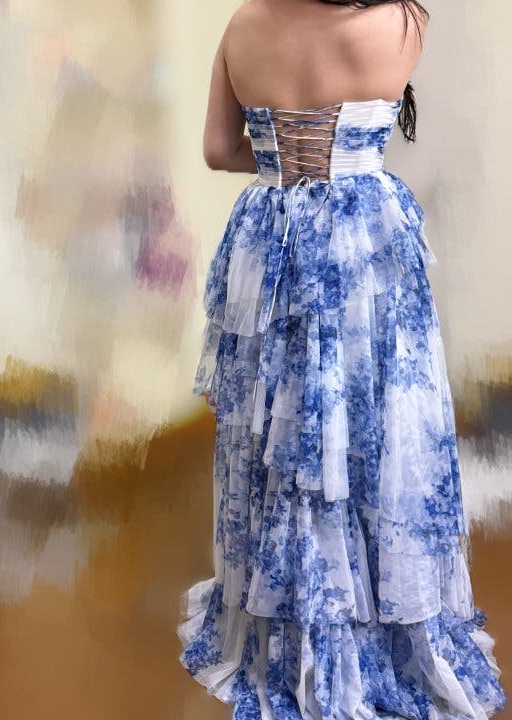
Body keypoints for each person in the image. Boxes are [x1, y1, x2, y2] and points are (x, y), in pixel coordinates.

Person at [178, 2, 508, 718]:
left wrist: (278, 160)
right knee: (380, 426)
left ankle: (286, 627)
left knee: (279, 435)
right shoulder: (402, 23)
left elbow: (218, 149)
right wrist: (344, 158)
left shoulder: (244, 25)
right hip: (365, 242)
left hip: (271, 242)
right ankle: (383, 626)